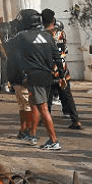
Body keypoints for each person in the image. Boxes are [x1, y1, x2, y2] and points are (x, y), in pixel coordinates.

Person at [16, 8, 64, 151]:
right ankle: (33, 133)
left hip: (35, 76)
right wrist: (61, 75)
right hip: (47, 75)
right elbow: (57, 56)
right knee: (35, 104)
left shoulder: (23, 36)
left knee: (43, 108)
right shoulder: (47, 36)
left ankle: (54, 140)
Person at [42, 9, 83, 130]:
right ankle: (76, 120)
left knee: (47, 98)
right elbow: (64, 51)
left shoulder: (41, 36)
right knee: (67, 97)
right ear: (53, 20)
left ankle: (46, 122)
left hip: (48, 71)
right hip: (63, 70)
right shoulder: (61, 33)